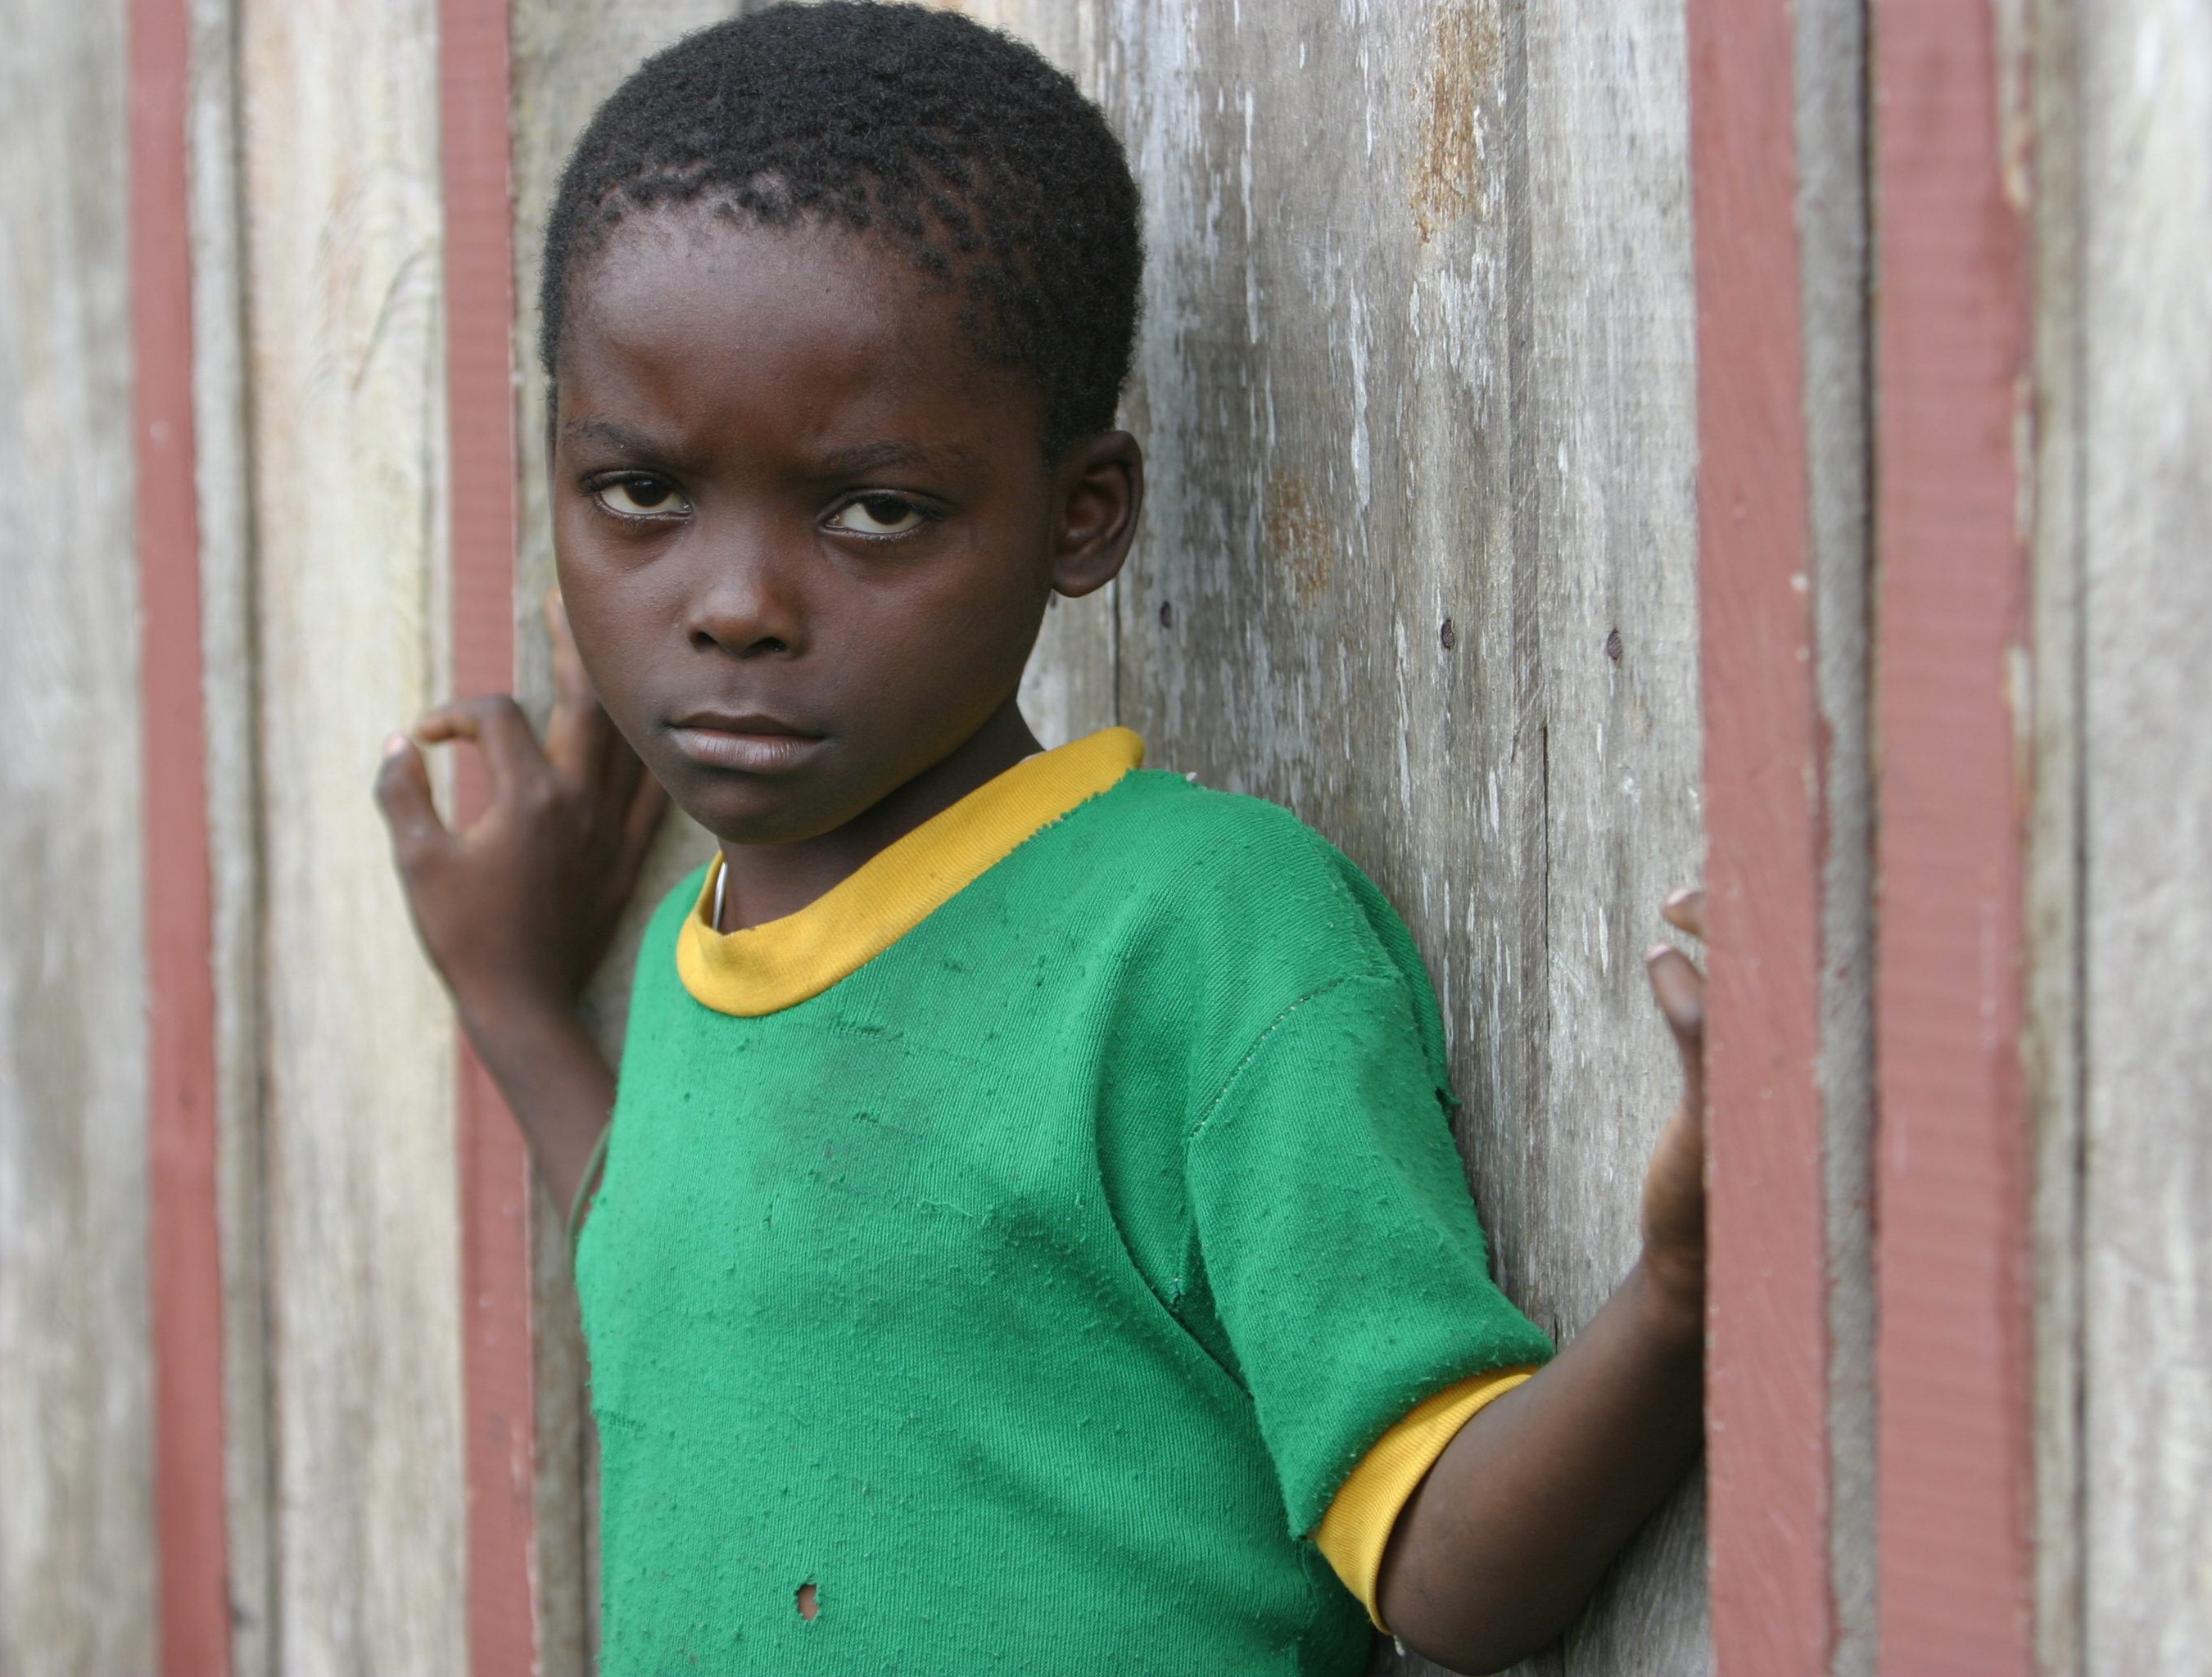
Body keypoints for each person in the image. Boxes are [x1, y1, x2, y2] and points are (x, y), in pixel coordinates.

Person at [375, 6, 1708, 1670]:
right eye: (641, 490)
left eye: (875, 509)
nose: (732, 608)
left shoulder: (1200, 934)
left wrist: (1679, 1297)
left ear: (1082, 516)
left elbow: (1446, 1569)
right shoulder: (687, 951)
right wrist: (509, 995)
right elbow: (707, 1267)